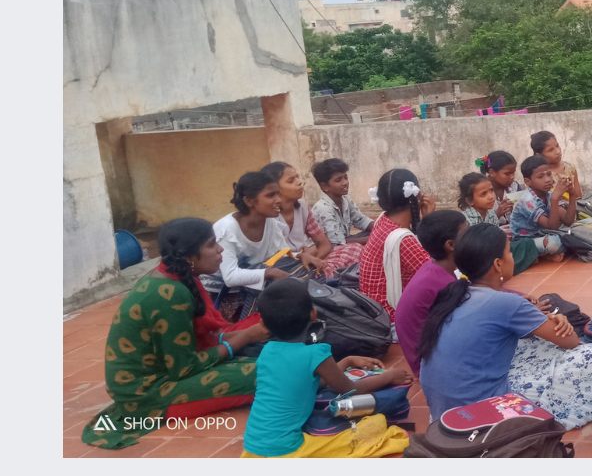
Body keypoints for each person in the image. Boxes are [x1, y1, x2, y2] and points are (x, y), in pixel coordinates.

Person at [82, 218, 269, 449]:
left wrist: (248, 335)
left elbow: (195, 343)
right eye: (211, 245)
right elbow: (185, 368)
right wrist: (247, 337)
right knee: (271, 373)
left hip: (164, 372)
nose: (220, 250)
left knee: (264, 358)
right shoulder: (169, 294)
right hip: (148, 394)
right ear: (189, 256)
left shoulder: (171, 278)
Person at [416, 224, 592, 428]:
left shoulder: (454, 295)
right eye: (510, 252)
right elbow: (571, 341)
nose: (512, 257)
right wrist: (561, 322)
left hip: (443, 414)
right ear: (498, 264)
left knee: (531, 342)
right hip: (481, 412)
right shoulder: (506, 303)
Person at [241, 279, 413, 458]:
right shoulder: (315, 354)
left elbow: (306, 382)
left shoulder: (267, 352)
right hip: (288, 450)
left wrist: (346, 361)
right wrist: (390, 376)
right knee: (376, 425)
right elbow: (351, 389)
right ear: (314, 315)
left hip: (252, 448)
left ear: (262, 324)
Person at [208, 171, 295, 319]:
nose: (278, 200)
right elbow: (230, 277)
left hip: (253, 285)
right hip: (224, 293)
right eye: (270, 195)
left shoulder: (270, 220)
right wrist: (268, 273)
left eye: (278, 194)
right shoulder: (227, 229)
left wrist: (301, 256)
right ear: (249, 201)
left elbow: (280, 255)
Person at [394, 210, 468, 380]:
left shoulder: (434, 268)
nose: (472, 239)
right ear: (451, 245)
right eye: (466, 234)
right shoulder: (442, 283)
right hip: (433, 367)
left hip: (430, 357)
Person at [358, 169, 437, 321]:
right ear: (417, 195)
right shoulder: (403, 239)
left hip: (373, 309)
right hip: (391, 317)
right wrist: (431, 220)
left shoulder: (383, 219)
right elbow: (435, 274)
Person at [457, 172, 538, 274]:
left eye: (491, 191)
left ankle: (506, 268)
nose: (491, 196)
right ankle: (505, 268)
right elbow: (473, 249)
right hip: (479, 258)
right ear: (470, 201)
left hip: (493, 252)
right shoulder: (466, 219)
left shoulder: (491, 213)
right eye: (483, 194)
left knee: (527, 243)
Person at [261, 162, 332, 277]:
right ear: (274, 188)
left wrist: (313, 260)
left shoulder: (303, 207)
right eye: (291, 181)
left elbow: (325, 244)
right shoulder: (267, 216)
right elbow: (273, 257)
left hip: (304, 262)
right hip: (281, 267)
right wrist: (305, 255)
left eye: (297, 177)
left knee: (352, 250)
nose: (300, 182)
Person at [310, 157, 373, 275]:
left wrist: (382, 229)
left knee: (373, 233)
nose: (345, 182)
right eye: (338, 180)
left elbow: (361, 220)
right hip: (330, 251)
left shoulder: (345, 200)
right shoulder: (324, 208)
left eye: (346, 177)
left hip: (345, 242)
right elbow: (337, 243)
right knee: (361, 247)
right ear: (325, 187)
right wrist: (373, 239)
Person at [509, 155, 577, 262]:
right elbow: (552, 226)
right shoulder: (527, 201)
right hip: (528, 242)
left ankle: (545, 253)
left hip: (545, 233)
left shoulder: (548, 194)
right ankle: (540, 253)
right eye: (540, 177)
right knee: (554, 243)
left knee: (586, 224)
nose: (548, 180)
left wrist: (572, 195)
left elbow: (568, 221)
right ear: (528, 182)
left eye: (549, 174)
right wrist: (555, 199)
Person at [476, 150, 524, 227]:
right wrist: (497, 214)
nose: (512, 177)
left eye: (513, 172)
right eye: (507, 173)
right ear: (492, 173)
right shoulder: (481, 193)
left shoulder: (515, 187)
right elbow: (478, 225)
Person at [531, 130, 581, 201]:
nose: (557, 151)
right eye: (551, 150)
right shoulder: (540, 175)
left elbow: (578, 197)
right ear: (539, 155)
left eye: (557, 146)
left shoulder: (570, 168)